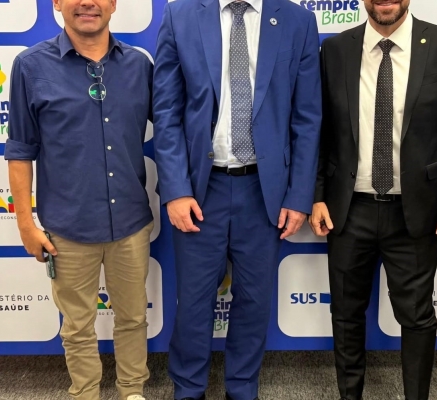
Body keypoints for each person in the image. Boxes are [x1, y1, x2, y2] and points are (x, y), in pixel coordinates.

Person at [309, 1, 437, 399]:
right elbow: (321, 131)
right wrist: (317, 195)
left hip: (418, 212)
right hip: (348, 210)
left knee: (417, 316)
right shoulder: (335, 50)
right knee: (346, 314)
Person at [152, 0, 321, 398]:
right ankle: (188, 389)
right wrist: (176, 189)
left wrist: (300, 195)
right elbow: (167, 111)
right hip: (200, 188)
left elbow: (307, 116)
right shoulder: (180, 16)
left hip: (264, 189)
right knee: (193, 302)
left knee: (255, 300)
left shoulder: (298, 20)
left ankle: (242, 388)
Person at [4, 1, 153, 399]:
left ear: (114, 4)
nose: (88, 2)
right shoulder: (30, 66)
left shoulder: (140, 66)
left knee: (133, 318)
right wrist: (25, 223)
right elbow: (20, 150)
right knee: (77, 326)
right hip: (67, 227)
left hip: (130, 223)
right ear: (56, 2)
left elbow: (175, 131)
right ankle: (85, 392)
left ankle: (132, 390)